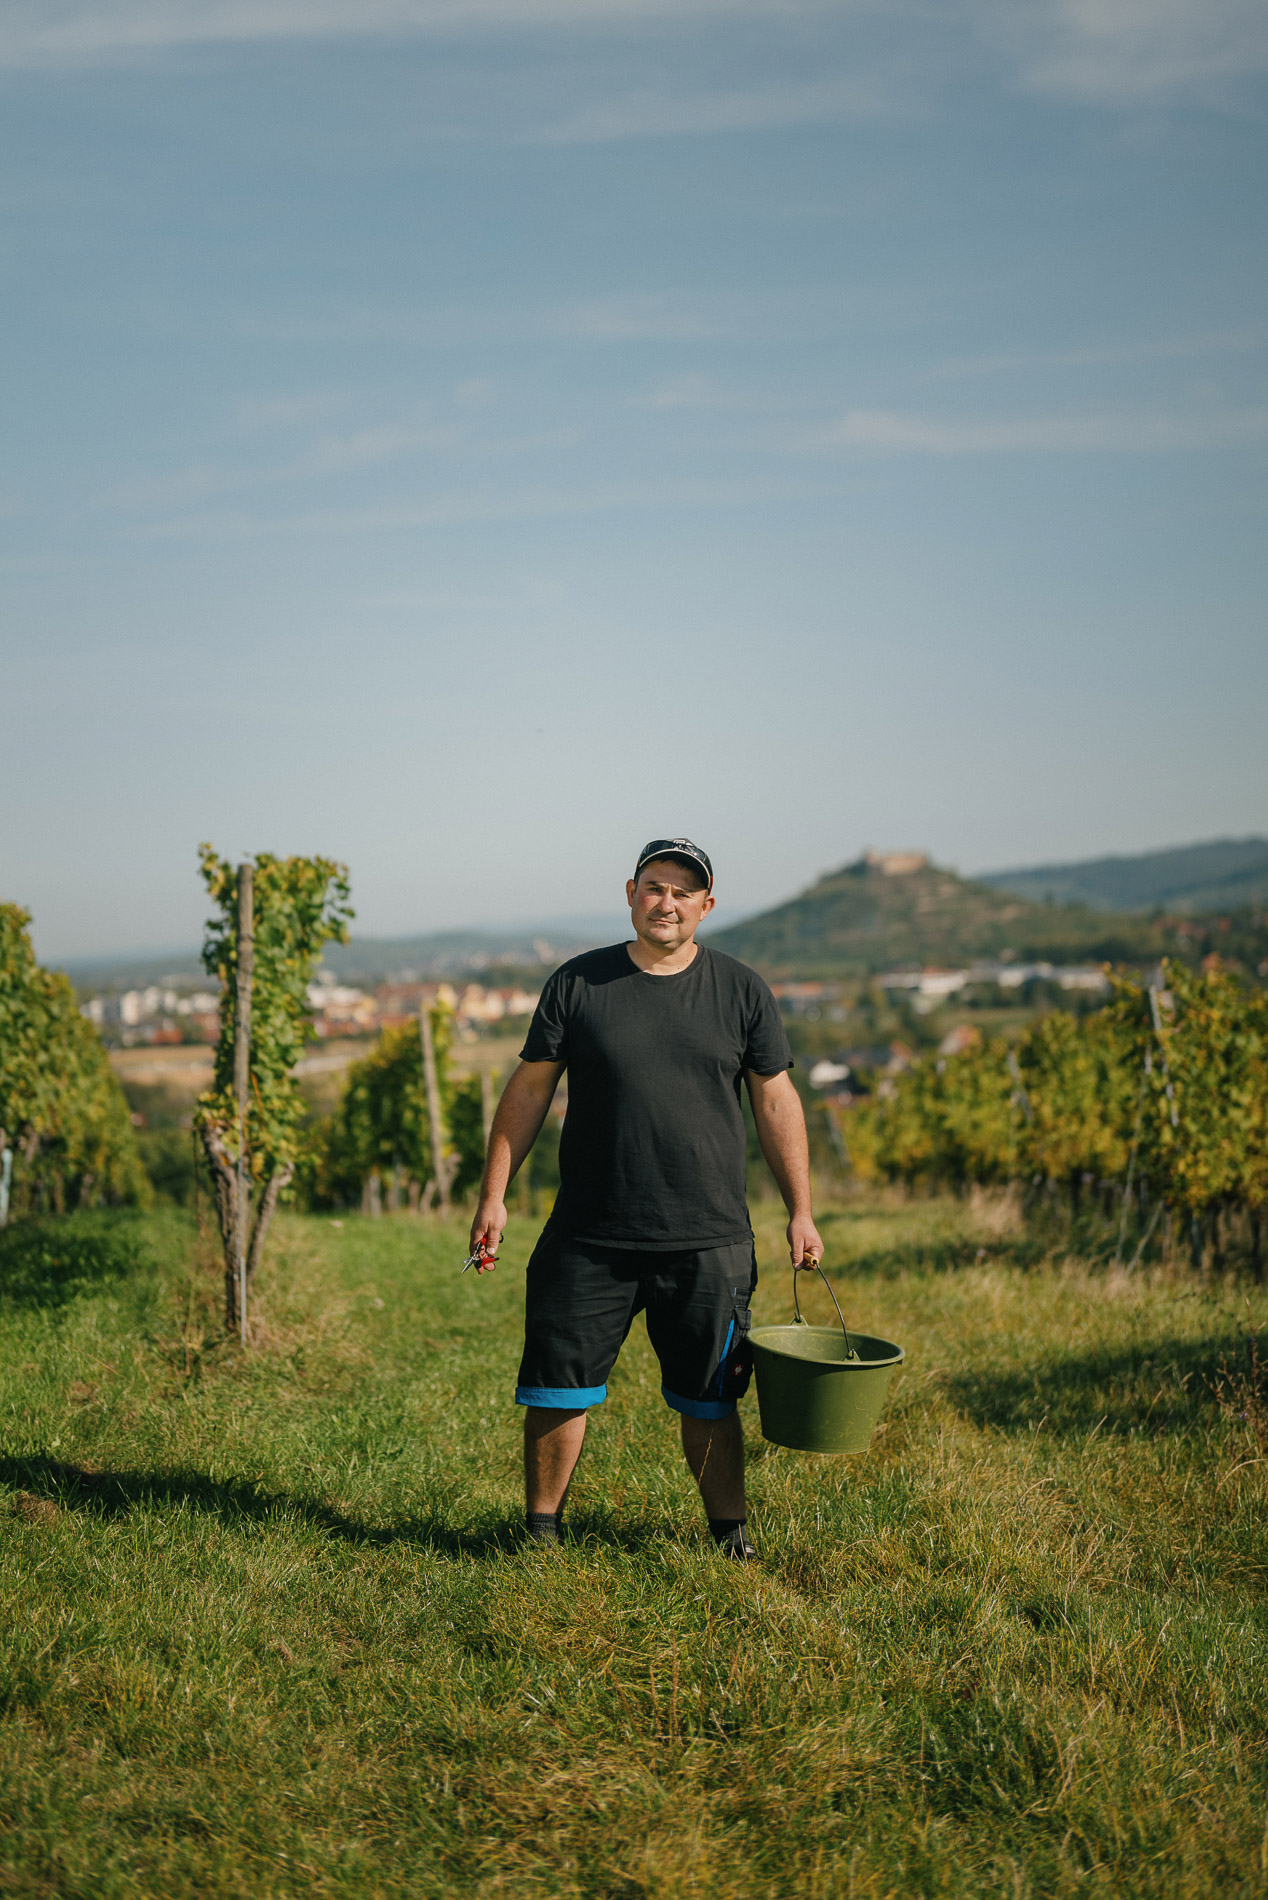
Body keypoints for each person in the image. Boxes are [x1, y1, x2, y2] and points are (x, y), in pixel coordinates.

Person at [468, 836, 824, 1560]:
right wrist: (493, 1195)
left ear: (706, 906)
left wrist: (801, 1210)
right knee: (555, 1391)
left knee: (711, 1398)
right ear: (630, 894)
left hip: (709, 1237)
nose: (667, 903)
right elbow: (529, 1090)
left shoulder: (741, 990)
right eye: (655, 887)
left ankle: (730, 1539)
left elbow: (776, 1101)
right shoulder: (578, 982)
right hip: (587, 1234)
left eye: (683, 892)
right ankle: (540, 1536)